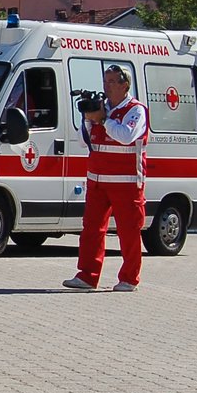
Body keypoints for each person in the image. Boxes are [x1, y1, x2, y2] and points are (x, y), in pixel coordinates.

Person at [64, 64, 148, 293]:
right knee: (91, 229)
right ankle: (87, 276)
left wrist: (103, 120)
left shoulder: (136, 110)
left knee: (128, 231)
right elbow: (84, 142)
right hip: (97, 179)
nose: (106, 86)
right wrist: (90, 120)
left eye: (112, 82)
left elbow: (126, 136)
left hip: (126, 181)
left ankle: (130, 279)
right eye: (105, 81)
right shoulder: (101, 108)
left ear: (125, 85)